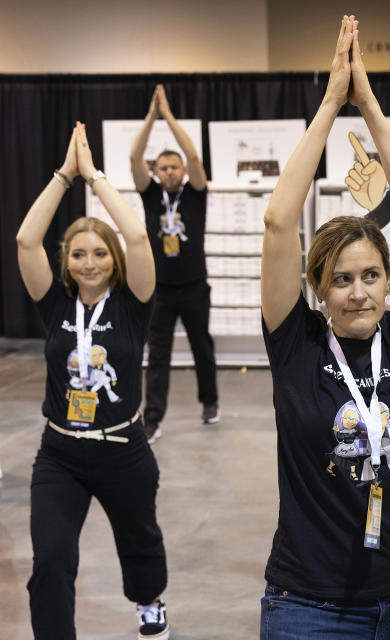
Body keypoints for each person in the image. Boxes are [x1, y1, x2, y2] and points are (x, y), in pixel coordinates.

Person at [258, 16, 390, 640]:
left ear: (388, 278)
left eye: (370, 275)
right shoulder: (297, 345)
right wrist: (332, 104)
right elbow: (280, 222)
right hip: (308, 606)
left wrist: (369, 103)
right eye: (340, 279)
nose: (358, 291)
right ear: (318, 289)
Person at [16, 123, 169, 640]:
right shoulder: (54, 303)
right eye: (78, 254)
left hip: (123, 448)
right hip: (59, 452)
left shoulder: (133, 305)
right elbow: (25, 238)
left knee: (140, 541)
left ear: (114, 260)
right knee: (51, 563)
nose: (89, 263)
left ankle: (149, 603)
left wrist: (96, 177)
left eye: (99, 254)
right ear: (67, 261)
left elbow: (138, 235)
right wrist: (63, 175)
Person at [131, 84, 218, 443]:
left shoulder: (195, 193)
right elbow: (135, 159)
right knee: (158, 356)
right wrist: (151, 118)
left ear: (182, 170)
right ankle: (152, 418)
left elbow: (195, 159)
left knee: (202, 347)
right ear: (157, 171)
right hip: (160, 290)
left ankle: (210, 402)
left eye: (174, 166)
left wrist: (169, 116)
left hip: (195, 286)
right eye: (162, 167)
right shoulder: (151, 195)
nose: (168, 172)